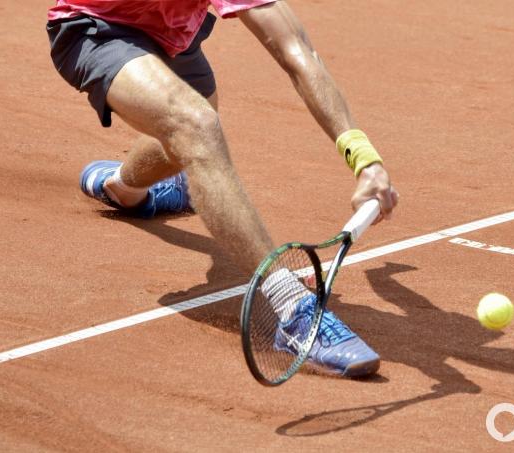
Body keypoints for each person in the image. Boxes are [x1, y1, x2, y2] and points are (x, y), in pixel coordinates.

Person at [46, 0, 400, 377]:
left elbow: (296, 49)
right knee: (197, 126)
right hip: (98, 28)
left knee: (192, 134)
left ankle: (123, 188)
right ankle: (293, 311)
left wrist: (364, 158)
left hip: (174, 37)